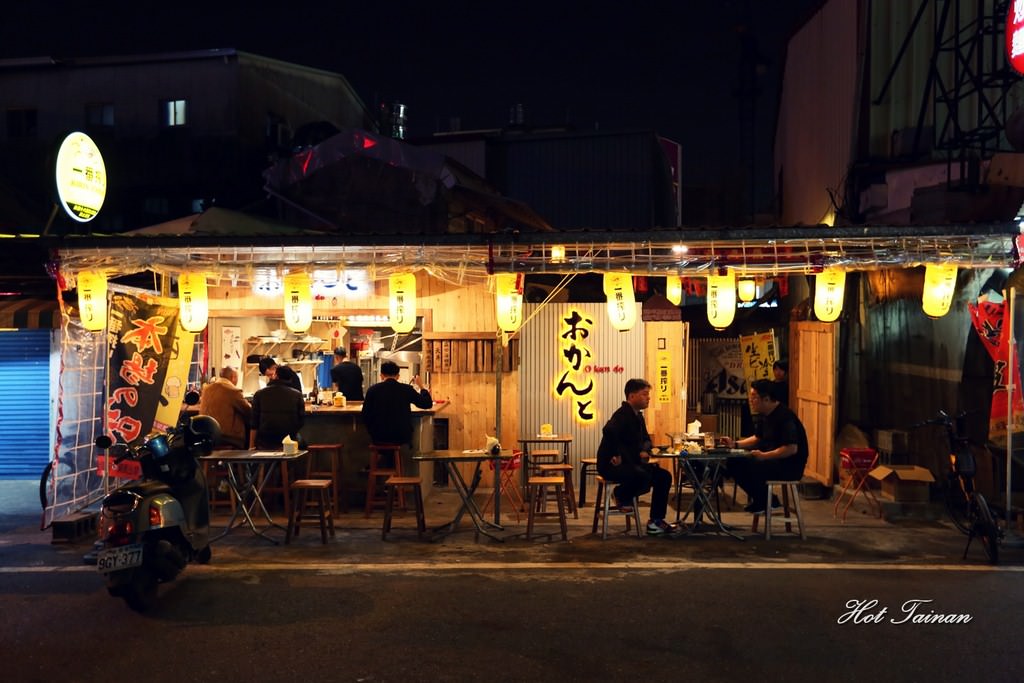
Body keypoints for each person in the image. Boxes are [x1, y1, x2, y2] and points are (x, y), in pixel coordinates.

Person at [596, 378, 675, 535]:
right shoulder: (622, 414)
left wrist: (645, 450)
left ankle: (655, 521)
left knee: (663, 477)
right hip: (612, 466)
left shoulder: (638, 416)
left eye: (648, 394)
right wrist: (615, 454)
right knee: (643, 475)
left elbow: (646, 439)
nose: (648, 398)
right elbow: (608, 431)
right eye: (644, 394)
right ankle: (620, 494)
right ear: (631, 396)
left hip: (631, 464)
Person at [721, 378, 809, 514]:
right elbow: (758, 438)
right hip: (772, 460)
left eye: (754, 397)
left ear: (766, 399)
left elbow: (791, 449)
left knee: (748, 465)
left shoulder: (785, 417)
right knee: (733, 462)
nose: (751, 400)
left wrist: (764, 456)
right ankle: (765, 500)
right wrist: (735, 444)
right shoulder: (765, 415)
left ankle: (765, 501)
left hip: (789, 465)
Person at [361, 360, 433, 466]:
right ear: (398, 376)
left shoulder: (372, 390)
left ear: (381, 376)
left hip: (378, 437)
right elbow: (427, 404)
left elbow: (365, 414)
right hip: (401, 436)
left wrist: (373, 430)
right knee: (396, 446)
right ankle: (394, 472)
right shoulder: (406, 389)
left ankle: (380, 466)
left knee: (384, 448)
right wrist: (421, 387)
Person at [249, 366, 306, 450]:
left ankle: (269, 463)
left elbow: (254, 423)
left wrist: (251, 446)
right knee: (302, 444)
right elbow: (301, 421)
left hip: (265, 441)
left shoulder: (259, 394)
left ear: (276, 376)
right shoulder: (297, 395)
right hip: (289, 440)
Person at [198, 367, 251, 449]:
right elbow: (249, 412)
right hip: (229, 438)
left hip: (207, 436)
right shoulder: (233, 391)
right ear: (233, 377)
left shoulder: (206, 389)